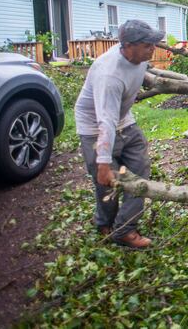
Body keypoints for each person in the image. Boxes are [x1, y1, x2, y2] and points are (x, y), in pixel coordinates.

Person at [75, 19, 164, 248]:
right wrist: (102, 163)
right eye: (147, 45)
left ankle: (124, 229)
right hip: (96, 128)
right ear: (128, 45)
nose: (152, 49)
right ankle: (105, 222)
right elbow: (106, 121)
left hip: (124, 121)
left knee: (140, 171)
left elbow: (140, 73)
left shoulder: (138, 58)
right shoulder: (109, 75)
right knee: (108, 181)